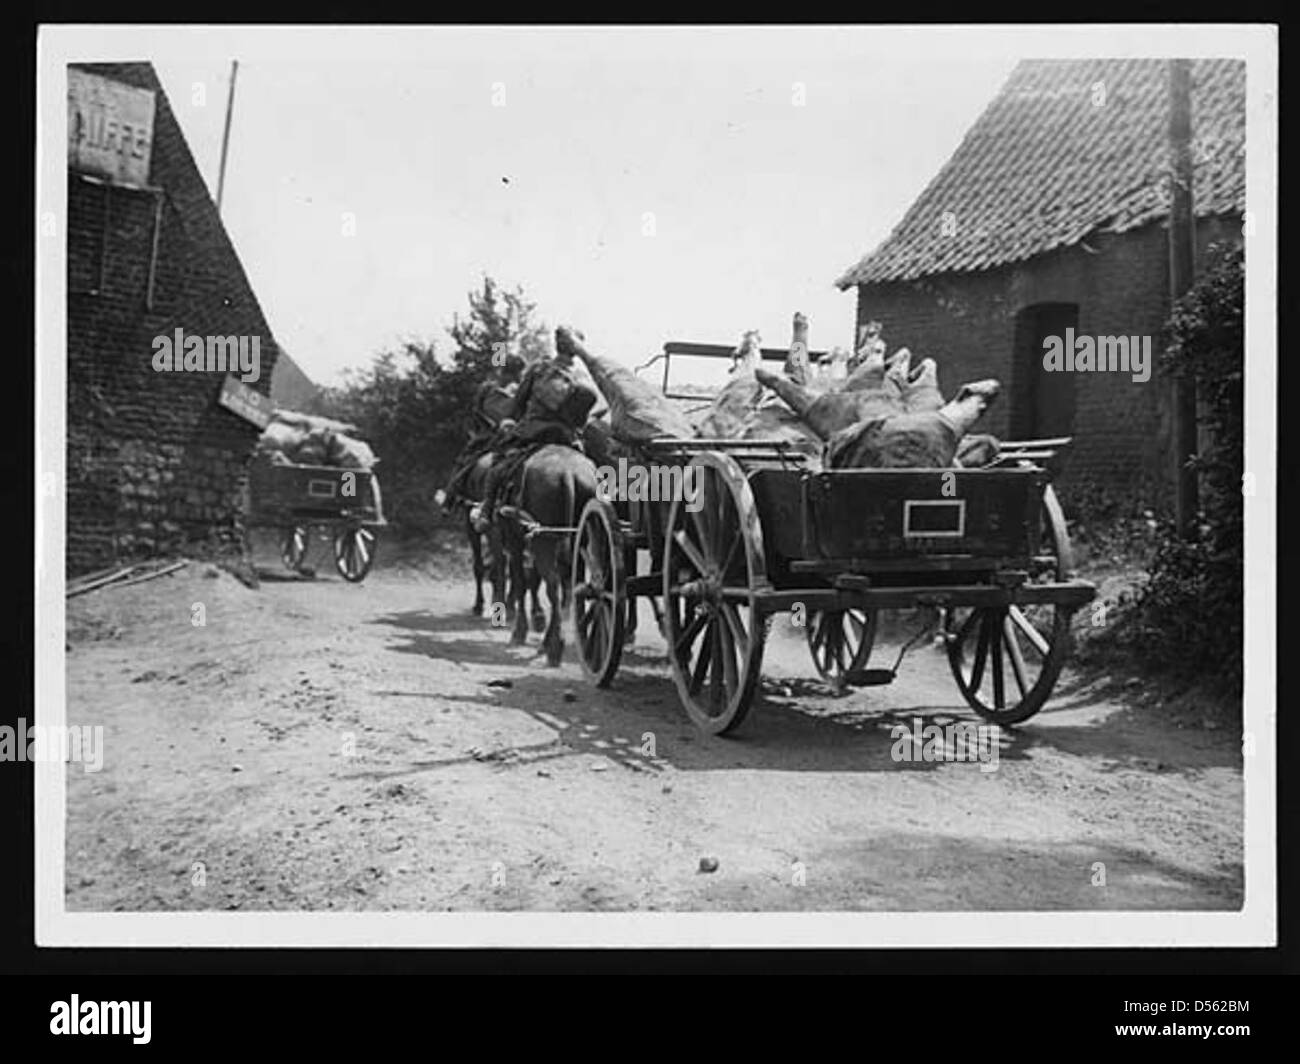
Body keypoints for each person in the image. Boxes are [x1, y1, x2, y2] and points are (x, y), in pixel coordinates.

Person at [473, 330, 599, 531]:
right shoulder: (584, 378)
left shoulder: (539, 368)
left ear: (557, 345)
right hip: (568, 438)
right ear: (577, 349)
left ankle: (486, 511)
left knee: (499, 462)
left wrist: (509, 421)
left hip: (533, 432)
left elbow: (518, 403)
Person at [440, 354, 526, 510]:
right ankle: (451, 496)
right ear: (510, 374)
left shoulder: (503, 389)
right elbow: (492, 413)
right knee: (465, 462)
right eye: (518, 373)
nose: (520, 377)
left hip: (506, 436)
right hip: (490, 435)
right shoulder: (493, 390)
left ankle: (449, 499)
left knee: (466, 461)